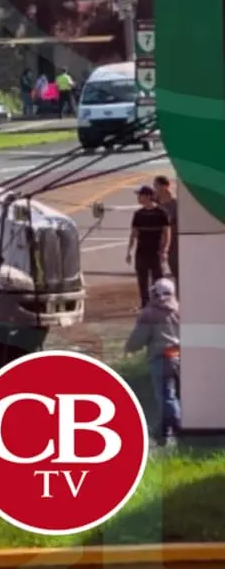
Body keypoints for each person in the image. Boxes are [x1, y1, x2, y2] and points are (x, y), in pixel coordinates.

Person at [125, 277, 181, 447]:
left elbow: (139, 337)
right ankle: (163, 431)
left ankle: (179, 426)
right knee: (172, 394)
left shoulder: (150, 314)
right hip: (179, 356)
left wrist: (130, 348)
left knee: (165, 396)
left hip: (161, 358)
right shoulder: (179, 310)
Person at [127, 185, 172, 306]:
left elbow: (167, 233)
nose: (138, 198)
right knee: (142, 280)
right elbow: (134, 233)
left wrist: (165, 250)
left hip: (156, 252)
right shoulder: (138, 214)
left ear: (147, 197)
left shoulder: (161, 213)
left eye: (140, 195)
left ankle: (159, 303)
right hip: (141, 252)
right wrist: (129, 251)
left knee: (158, 280)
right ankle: (145, 304)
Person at [155, 175, 181, 282]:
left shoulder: (175, 204)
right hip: (157, 240)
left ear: (165, 186)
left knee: (174, 265)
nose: (155, 188)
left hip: (172, 240)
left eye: (156, 185)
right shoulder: (155, 203)